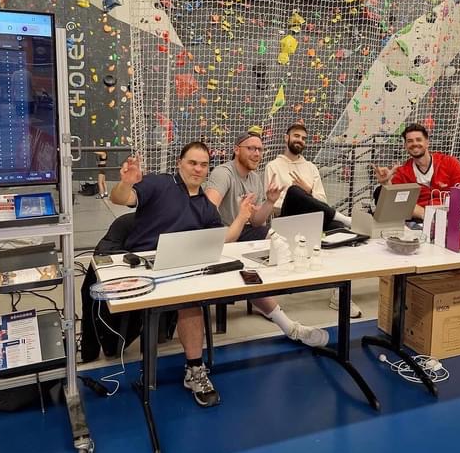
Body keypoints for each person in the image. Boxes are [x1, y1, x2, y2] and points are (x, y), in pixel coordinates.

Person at [110, 141, 254, 408]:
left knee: (192, 300)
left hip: (182, 268)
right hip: (144, 267)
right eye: (192, 163)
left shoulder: (205, 206)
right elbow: (120, 199)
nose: (198, 169)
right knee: (188, 300)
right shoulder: (159, 184)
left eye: (203, 165)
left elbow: (224, 238)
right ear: (179, 163)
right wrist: (126, 183)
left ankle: (194, 369)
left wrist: (242, 216)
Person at [205, 129, 330, 348]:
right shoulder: (223, 173)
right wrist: (240, 219)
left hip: (244, 231)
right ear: (237, 150)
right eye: (251, 148)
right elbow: (207, 211)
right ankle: (288, 326)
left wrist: (270, 202)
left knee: (280, 242)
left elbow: (256, 221)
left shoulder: (254, 178)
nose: (256, 153)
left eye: (260, 149)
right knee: (248, 272)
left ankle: (272, 303)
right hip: (222, 235)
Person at [265, 123, 362, 318]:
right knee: (294, 191)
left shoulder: (311, 167)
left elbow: (322, 201)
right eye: (296, 136)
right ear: (286, 138)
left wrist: (308, 191)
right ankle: (345, 218)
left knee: (339, 229)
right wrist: (300, 196)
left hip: (313, 218)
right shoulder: (273, 166)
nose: (300, 140)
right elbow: (272, 204)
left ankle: (339, 294)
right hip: (288, 218)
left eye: (303, 138)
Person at [373, 123, 460, 219]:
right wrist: (386, 183)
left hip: (450, 217)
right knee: (380, 192)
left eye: (418, 139)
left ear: (427, 143)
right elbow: (394, 200)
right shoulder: (402, 172)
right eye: (410, 141)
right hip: (418, 220)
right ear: (405, 146)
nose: (414, 144)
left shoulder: (450, 163)